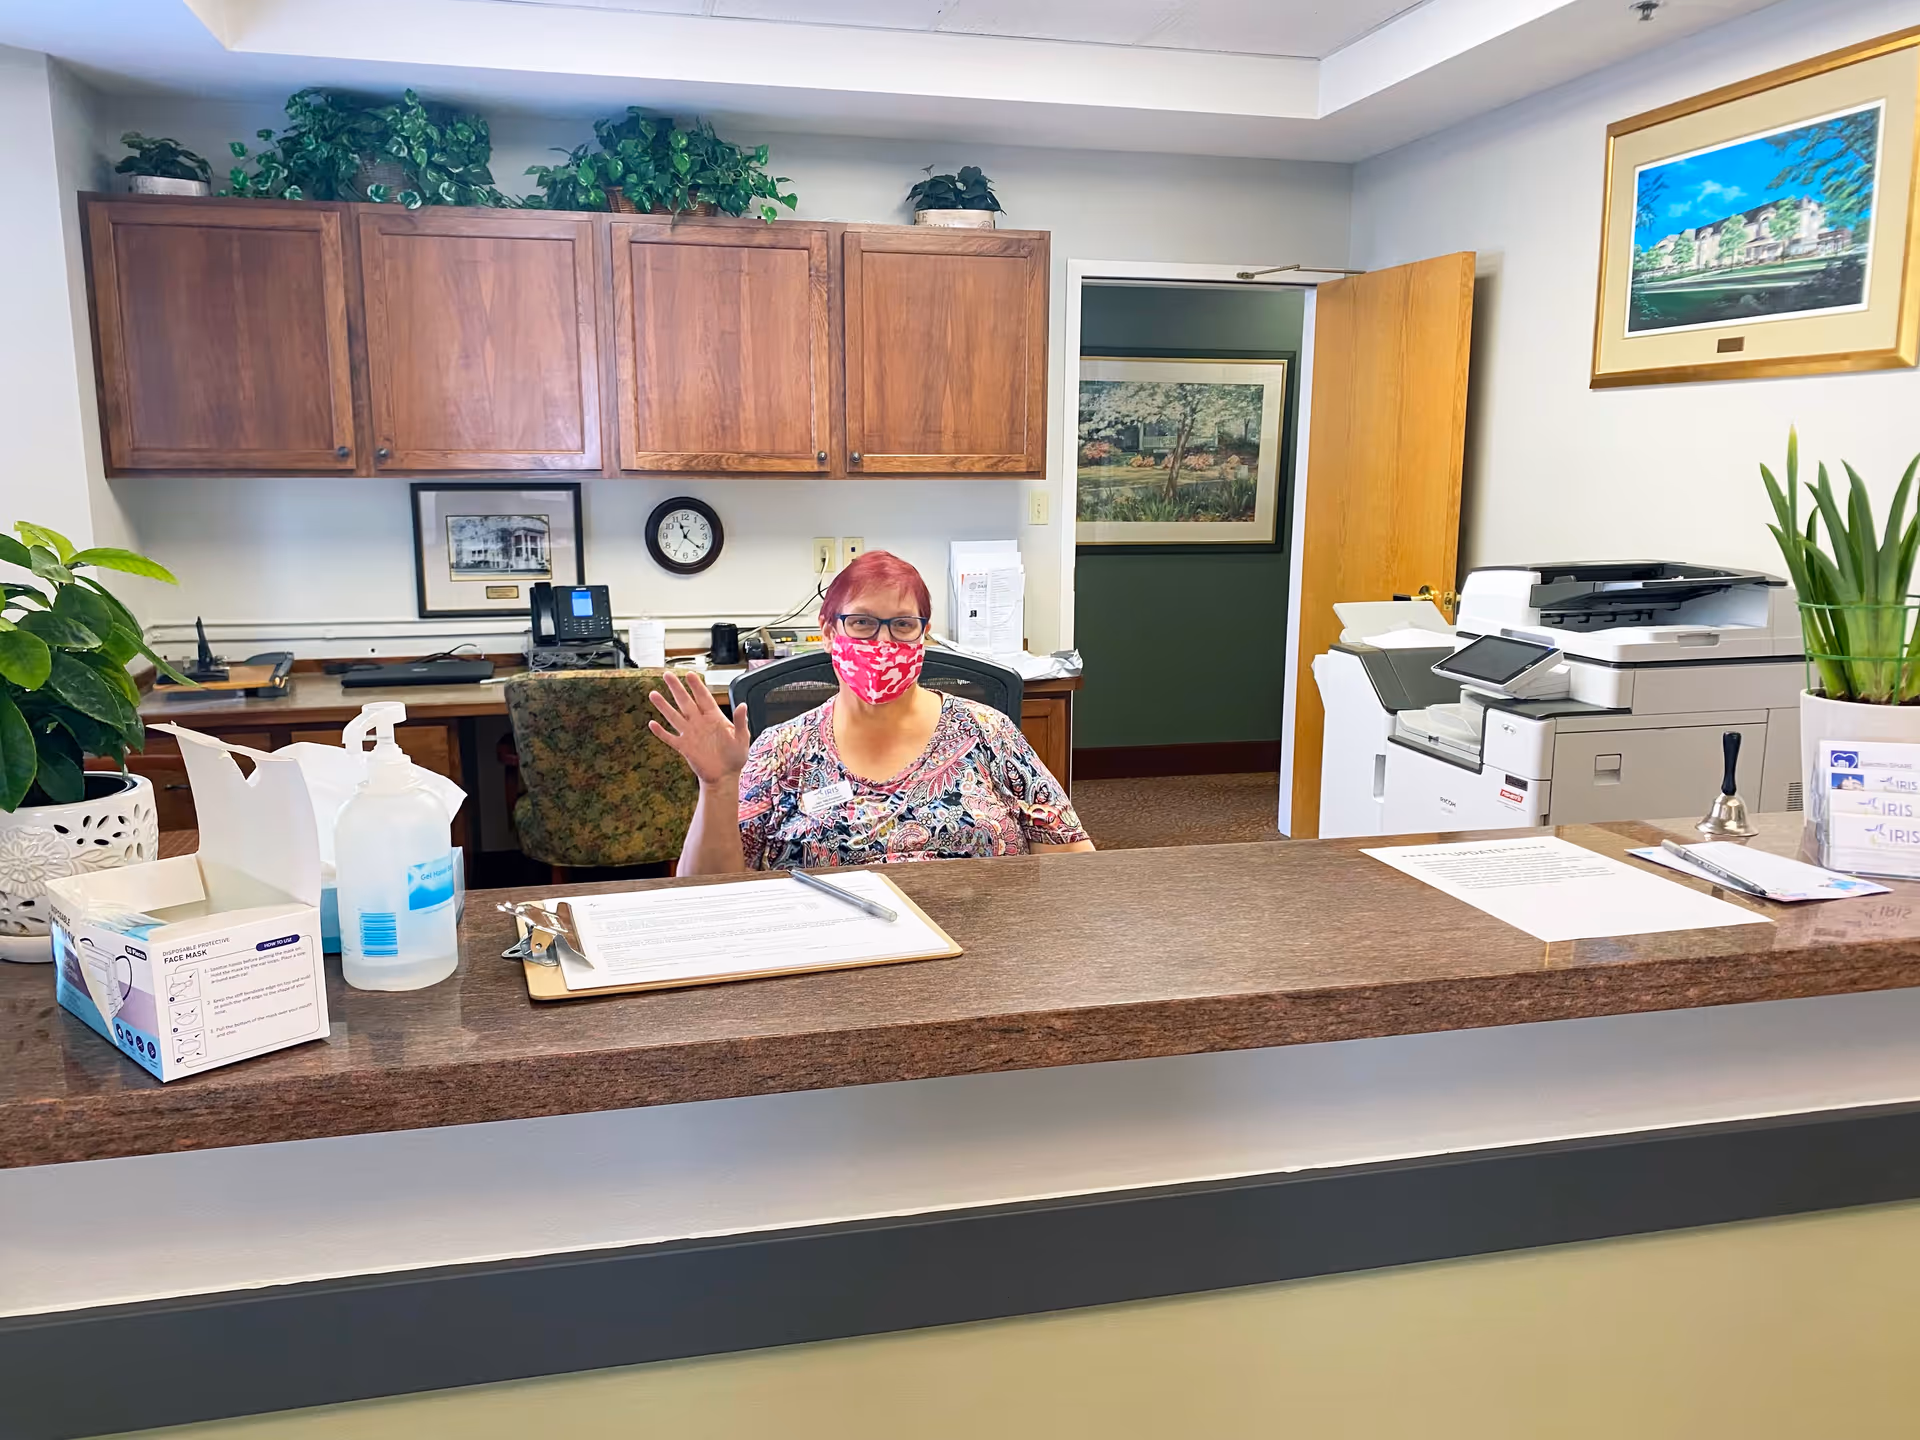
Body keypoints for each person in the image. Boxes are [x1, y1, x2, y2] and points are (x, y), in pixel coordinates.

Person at [648, 549, 1094, 874]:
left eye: (902, 624)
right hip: (831, 972)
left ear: (923, 634)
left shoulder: (987, 733)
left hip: (982, 961)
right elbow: (707, 893)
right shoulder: (781, 750)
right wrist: (718, 785)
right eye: (861, 622)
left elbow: (1074, 865)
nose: (883, 644)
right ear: (828, 632)